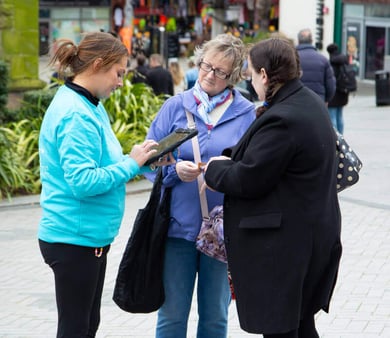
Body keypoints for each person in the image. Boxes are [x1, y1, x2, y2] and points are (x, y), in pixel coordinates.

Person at [203, 37, 342, 337]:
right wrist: (228, 159)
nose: (250, 82)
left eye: (251, 74)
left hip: (286, 248)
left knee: (282, 329)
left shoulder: (284, 118)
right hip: (311, 238)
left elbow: (248, 178)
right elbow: (265, 160)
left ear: (264, 75)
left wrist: (212, 169)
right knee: (302, 325)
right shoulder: (306, 102)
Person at [38, 32, 171, 338]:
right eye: (119, 73)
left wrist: (140, 160)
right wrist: (131, 163)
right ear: (98, 65)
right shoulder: (76, 114)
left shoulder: (88, 104)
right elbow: (82, 181)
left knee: (86, 326)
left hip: (84, 235)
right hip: (74, 237)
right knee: (76, 329)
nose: (121, 82)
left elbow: (98, 165)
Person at [145, 33, 256, 338]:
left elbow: (253, 171)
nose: (209, 75)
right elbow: (148, 159)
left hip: (221, 234)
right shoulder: (176, 106)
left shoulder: (246, 114)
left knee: (215, 319)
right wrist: (172, 171)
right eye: (206, 65)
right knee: (171, 317)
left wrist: (225, 172)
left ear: (233, 76)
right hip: (177, 230)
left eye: (220, 72)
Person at [296, 28, 336, 103]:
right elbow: (331, 86)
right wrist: (326, 100)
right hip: (318, 102)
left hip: (296, 102)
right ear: (311, 41)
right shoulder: (323, 59)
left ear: (298, 40)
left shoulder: (292, 59)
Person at [327, 43, 350, 134]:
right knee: (340, 115)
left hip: (335, 93)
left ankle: (336, 138)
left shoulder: (332, 63)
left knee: (332, 116)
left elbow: (331, 80)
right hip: (343, 91)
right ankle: (341, 136)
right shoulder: (344, 60)